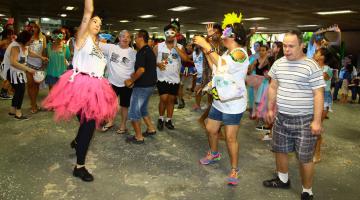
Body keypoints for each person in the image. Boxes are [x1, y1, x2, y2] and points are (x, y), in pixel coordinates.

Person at [42, 0, 119, 182]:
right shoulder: (81, 39)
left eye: (100, 24)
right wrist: (89, 12)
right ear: (87, 23)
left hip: (96, 87)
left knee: (87, 124)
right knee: (89, 126)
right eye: (95, 21)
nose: (98, 25)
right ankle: (79, 167)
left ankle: (77, 142)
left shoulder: (97, 46)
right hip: (80, 87)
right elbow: (88, 10)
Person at [263, 30, 325, 200]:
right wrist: (269, 109)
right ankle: (283, 180)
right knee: (280, 150)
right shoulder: (279, 63)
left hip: (304, 120)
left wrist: (317, 121)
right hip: (282, 117)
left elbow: (318, 94)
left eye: (291, 46)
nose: (287, 49)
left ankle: (307, 191)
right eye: (284, 45)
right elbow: (273, 86)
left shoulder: (311, 66)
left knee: (305, 157)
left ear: (302, 46)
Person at [194, 16, 249, 186]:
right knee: (211, 129)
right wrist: (207, 48)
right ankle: (214, 153)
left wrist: (206, 45)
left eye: (226, 34)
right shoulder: (226, 52)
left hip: (233, 103)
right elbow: (216, 66)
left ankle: (234, 169)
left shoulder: (240, 53)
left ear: (235, 37)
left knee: (230, 137)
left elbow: (223, 65)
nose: (223, 36)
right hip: (220, 100)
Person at [99, 30, 136, 133]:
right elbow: (95, 43)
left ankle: (123, 125)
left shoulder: (133, 53)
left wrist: (133, 80)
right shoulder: (111, 48)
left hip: (127, 84)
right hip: (112, 82)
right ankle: (110, 121)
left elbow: (137, 69)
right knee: (110, 103)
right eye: (123, 36)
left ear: (130, 39)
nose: (125, 38)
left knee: (124, 106)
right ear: (119, 38)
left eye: (128, 37)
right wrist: (99, 35)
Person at [154, 23, 189, 131]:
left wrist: (176, 48)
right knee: (163, 98)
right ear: (165, 34)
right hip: (162, 77)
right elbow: (150, 60)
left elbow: (186, 59)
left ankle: (168, 120)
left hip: (175, 79)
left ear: (176, 34)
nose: (170, 35)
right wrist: (157, 64)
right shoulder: (158, 46)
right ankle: (160, 118)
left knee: (171, 100)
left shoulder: (180, 47)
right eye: (167, 33)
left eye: (172, 33)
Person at [4, 30, 47, 120]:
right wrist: (29, 69)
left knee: (18, 91)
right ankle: (18, 113)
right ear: (24, 39)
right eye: (30, 40)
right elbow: (13, 62)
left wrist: (41, 57)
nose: (31, 41)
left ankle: (12, 110)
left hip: (18, 71)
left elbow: (30, 52)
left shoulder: (24, 45)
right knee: (20, 90)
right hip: (12, 72)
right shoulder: (15, 46)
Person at [125, 29, 157, 144]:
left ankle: (138, 137)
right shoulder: (149, 50)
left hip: (142, 87)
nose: (134, 39)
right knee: (143, 108)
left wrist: (131, 80)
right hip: (150, 85)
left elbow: (141, 69)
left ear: (140, 38)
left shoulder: (142, 51)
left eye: (135, 37)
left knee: (133, 112)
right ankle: (151, 128)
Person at [313, 47, 334, 163]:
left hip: (324, 96)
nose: (315, 54)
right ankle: (312, 150)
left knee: (317, 126)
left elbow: (320, 80)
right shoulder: (314, 66)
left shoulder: (327, 69)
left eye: (317, 53)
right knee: (311, 125)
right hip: (312, 96)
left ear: (323, 57)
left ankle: (317, 153)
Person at [26, 22, 47, 113]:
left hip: (39, 65)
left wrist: (43, 63)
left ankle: (34, 103)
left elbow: (44, 51)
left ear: (38, 28)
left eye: (35, 27)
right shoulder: (27, 37)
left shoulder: (43, 37)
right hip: (28, 64)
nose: (33, 29)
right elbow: (27, 52)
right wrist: (41, 57)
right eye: (32, 27)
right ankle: (33, 104)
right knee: (30, 85)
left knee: (36, 85)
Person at [0, 27, 15, 100]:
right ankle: (3, 93)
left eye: (12, 33)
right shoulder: (4, 41)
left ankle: (4, 92)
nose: (12, 35)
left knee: (8, 79)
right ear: (7, 35)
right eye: (10, 34)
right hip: (5, 63)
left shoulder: (12, 42)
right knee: (8, 79)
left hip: (11, 63)